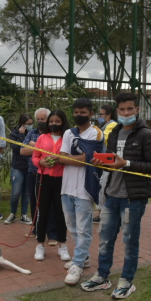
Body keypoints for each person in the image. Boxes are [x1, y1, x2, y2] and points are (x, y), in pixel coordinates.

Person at [83, 92, 151, 299]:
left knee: (129, 241)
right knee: (105, 239)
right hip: (111, 196)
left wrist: (125, 163)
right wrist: (103, 164)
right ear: (117, 112)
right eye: (122, 110)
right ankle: (102, 276)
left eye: (130, 109)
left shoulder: (147, 135)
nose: (126, 113)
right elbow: (111, 162)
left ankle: (127, 280)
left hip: (132, 199)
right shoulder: (115, 132)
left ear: (137, 110)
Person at [58, 98, 104, 285]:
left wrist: (72, 158)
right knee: (72, 226)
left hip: (85, 188)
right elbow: (61, 157)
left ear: (91, 114)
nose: (78, 115)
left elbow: (89, 159)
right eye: (76, 112)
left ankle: (77, 264)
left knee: (84, 228)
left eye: (83, 112)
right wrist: (75, 158)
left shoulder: (96, 134)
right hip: (67, 186)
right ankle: (83, 257)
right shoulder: (69, 132)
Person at [32, 109, 70, 262]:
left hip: (61, 180)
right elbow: (35, 157)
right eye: (51, 122)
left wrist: (60, 159)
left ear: (63, 122)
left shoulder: (67, 138)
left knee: (61, 214)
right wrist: (39, 162)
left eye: (57, 122)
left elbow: (70, 157)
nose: (54, 124)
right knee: (43, 213)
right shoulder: (42, 137)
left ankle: (63, 246)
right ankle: (40, 246)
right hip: (44, 179)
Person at [21, 108, 58, 243]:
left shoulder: (52, 134)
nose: (40, 121)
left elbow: (53, 152)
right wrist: (39, 147)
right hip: (33, 173)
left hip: (49, 174)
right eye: (39, 119)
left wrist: (34, 147)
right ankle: (35, 228)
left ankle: (52, 233)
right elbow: (22, 151)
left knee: (51, 203)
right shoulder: (31, 133)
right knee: (34, 201)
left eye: (43, 119)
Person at [5, 113, 33, 225]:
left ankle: (24, 215)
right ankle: (12, 213)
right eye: (28, 124)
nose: (31, 126)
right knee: (16, 193)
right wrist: (21, 136)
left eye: (32, 123)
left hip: (29, 167)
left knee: (26, 193)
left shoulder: (33, 133)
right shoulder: (15, 133)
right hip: (17, 167)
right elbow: (17, 148)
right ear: (22, 125)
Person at [93, 103, 118, 223]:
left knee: (103, 186)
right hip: (104, 159)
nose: (99, 116)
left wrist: (94, 133)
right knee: (103, 185)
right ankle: (102, 212)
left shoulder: (112, 125)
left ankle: (101, 213)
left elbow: (105, 138)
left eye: (101, 114)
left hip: (108, 160)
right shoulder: (105, 125)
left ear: (108, 115)